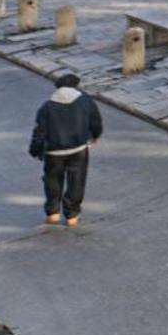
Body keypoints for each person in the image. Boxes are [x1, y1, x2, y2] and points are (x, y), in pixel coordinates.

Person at [30, 72, 102, 227]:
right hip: (79, 150)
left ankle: (53, 212)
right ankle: (72, 215)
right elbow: (96, 122)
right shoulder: (85, 101)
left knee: (53, 181)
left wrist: (35, 150)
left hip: (54, 152)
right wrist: (94, 136)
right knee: (76, 181)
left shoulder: (47, 107)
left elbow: (39, 132)